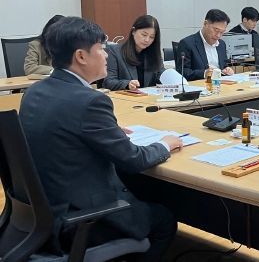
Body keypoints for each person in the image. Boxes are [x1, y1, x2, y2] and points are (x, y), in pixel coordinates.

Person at [19, 16, 183, 261]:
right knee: (164, 220)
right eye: (102, 49)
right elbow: (134, 160)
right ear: (81, 56)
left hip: (39, 215)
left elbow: (65, 130)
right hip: (80, 221)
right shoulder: (90, 101)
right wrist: (165, 144)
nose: (107, 55)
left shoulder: (35, 91)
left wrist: (108, 131)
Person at [103, 15, 164, 91]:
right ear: (133, 31)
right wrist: (127, 84)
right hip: (126, 97)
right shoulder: (115, 52)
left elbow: (161, 76)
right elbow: (108, 82)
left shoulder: (154, 54)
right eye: (144, 35)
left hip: (150, 97)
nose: (147, 40)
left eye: (151, 37)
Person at [177, 9, 235, 80]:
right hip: (199, 85)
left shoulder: (221, 44)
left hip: (219, 84)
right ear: (205, 24)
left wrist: (227, 69)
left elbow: (223, 66)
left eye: (222, 32)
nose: (218, 35)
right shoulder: (187, 43)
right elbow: (182, 72)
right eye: (216, 30)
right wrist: (204, 73)